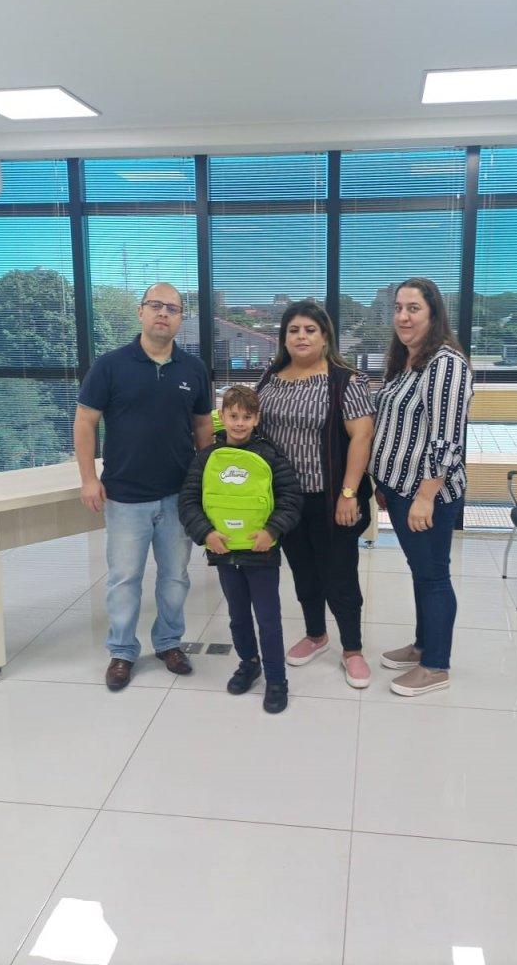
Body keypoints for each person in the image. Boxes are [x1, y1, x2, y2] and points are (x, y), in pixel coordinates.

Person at [74, 282, 213, 691]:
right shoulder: (110, 365)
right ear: (140, 312)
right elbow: (85, 421)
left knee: (175, 577)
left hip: (178, 496)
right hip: (125, 497)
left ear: (181, 318)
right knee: (124, 579)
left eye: (172, 308)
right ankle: (122, 651)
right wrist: (88, 478)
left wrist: (206, 483)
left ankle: (169, 643)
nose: (163, 313)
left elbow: (203, 427)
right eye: (155, 305)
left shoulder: (193, 369)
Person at [257, 300, 375, 688]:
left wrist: (348, 493)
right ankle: (316, 635)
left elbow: (362, 437)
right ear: (284, 338)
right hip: (285, 500)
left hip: (331, 498)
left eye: (310, 330)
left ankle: (352, 649)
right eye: (293, 330)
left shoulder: (345, 381)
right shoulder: (270, 377)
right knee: (304, 572)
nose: (301, 336)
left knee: (340, 576)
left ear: (325, 337)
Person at [369, 277, 473, 697]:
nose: (403, 317)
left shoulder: (445, 363)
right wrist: (383, 482)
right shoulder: (408, 361)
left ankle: (435, 666)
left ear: (433, 313)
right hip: (399, 489)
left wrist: (425, 496)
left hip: (426, 494)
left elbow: (447, 440)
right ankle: (423, 644)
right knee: (421, 572)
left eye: (413, 308)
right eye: (398, 308)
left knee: (433, 577)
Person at [178, 385, 302, 713]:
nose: (239, 423)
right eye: (233, 416)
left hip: (261, 554)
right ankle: (249, 663)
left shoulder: (270, 455)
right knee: (237, 616)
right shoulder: (206, 458)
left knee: (268, 619)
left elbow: (291, 498)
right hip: (224, 552)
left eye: (247, 417)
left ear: (257, 419)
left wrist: (271, 530)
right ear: (222, 416)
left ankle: (276, 679)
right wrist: (205, 533)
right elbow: (189, 501)